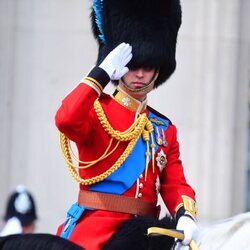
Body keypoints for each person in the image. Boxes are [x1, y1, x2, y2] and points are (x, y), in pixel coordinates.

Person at [55, 1, 198, 249]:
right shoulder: (96, 110)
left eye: (148, 66)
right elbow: (65, 119)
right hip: (97, 232)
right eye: (132, 65)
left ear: (158, 69)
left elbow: (175, 183)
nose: (140, 73)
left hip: (145, 234)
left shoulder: (164, 128)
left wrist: (186, 213)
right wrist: (100, 73)